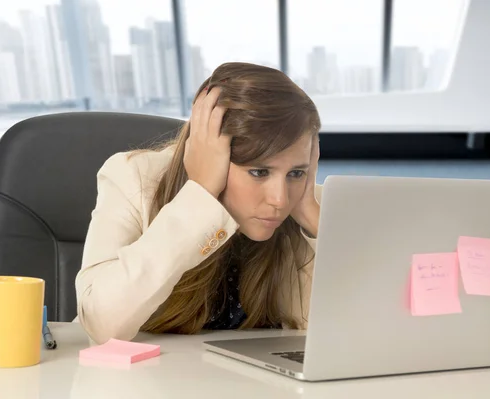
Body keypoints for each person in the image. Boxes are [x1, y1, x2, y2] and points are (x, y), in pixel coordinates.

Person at [75, 62, 322, 344]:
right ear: (210, 152)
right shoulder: (132, 178)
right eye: (259, 172)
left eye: (296, 172)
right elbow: (101, 325)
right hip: (149, 384)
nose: (280, 199)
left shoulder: (309, 208)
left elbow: (355, 333)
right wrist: (200, 193)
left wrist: (316, 221)